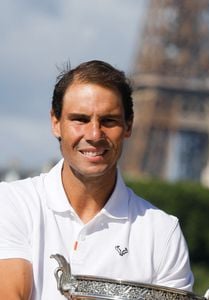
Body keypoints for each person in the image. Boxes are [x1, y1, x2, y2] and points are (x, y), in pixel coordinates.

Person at [0, 60, 194, 299]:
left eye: (108, 121)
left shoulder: (162, 232)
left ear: (128, 125)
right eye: (80, 119)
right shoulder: (11, 203)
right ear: (55, 123)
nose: (94, 135)